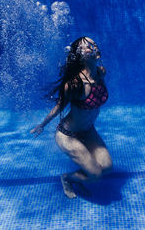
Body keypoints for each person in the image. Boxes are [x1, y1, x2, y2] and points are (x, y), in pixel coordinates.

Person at [30, 36, 113, 199]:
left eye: (93, 43)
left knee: (107, 167)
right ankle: (67, 179)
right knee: (96, 174)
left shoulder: (100, 72)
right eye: (87, 46)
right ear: (79, 55)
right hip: (67, 135)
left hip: (88, 130)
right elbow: (58, 108)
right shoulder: (75, 84)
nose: (92, 46)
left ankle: (83, 175)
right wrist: (42, 124)